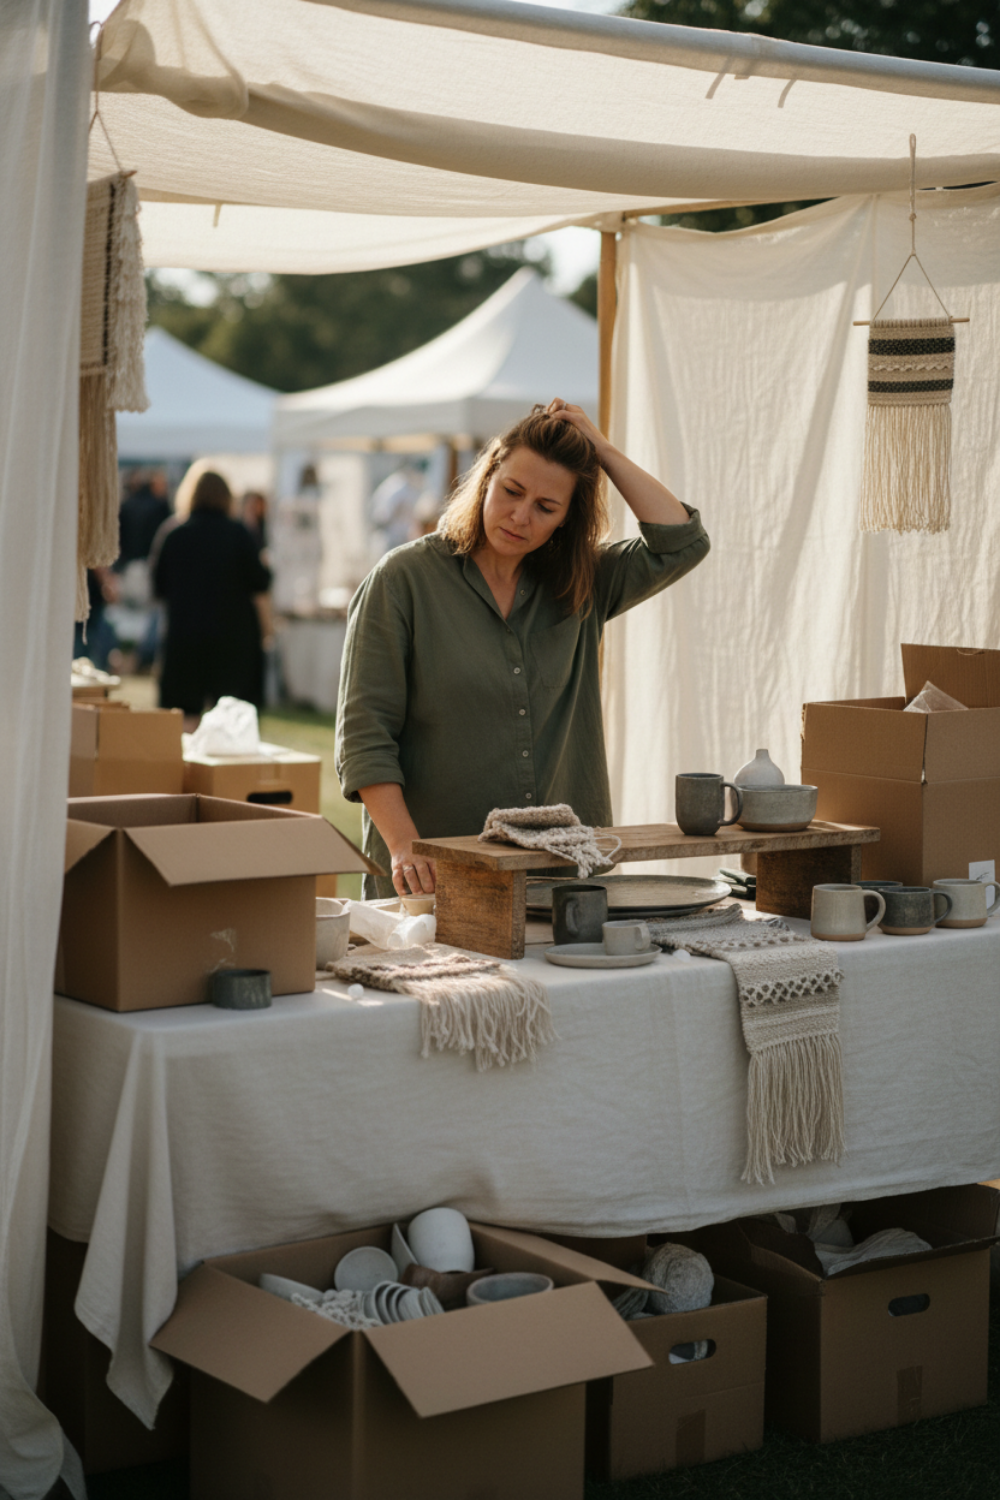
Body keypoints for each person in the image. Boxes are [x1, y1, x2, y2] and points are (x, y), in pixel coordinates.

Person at [335, 400, 710, 899]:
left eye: (545, 507)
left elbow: (682, 541)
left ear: (566, 518)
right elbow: (364, 736)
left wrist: (600, 450)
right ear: (486, 477)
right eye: (512, 491)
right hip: (436, 878)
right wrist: (406, 846)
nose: (519, 516)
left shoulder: (583, 585)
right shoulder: (402, 581)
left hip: (560, 879)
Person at [153, 470, 272, 725]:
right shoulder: (239, 534)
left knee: (184, 722)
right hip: (231, 641)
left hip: (185, 639)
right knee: (231, 723)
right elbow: (260, 583)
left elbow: (158, 589)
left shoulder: (173, 534)